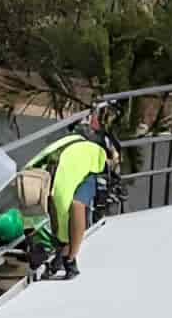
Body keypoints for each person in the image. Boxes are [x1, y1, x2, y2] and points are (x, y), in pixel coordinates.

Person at [26, 104, 118, 281]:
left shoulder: (107, 137)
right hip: (69, 170)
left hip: (92, 173)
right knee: (55, 205)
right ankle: (58, 254)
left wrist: (110, 162)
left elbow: (114, 161)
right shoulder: (76, 127)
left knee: (76, 205)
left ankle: (70, 259)